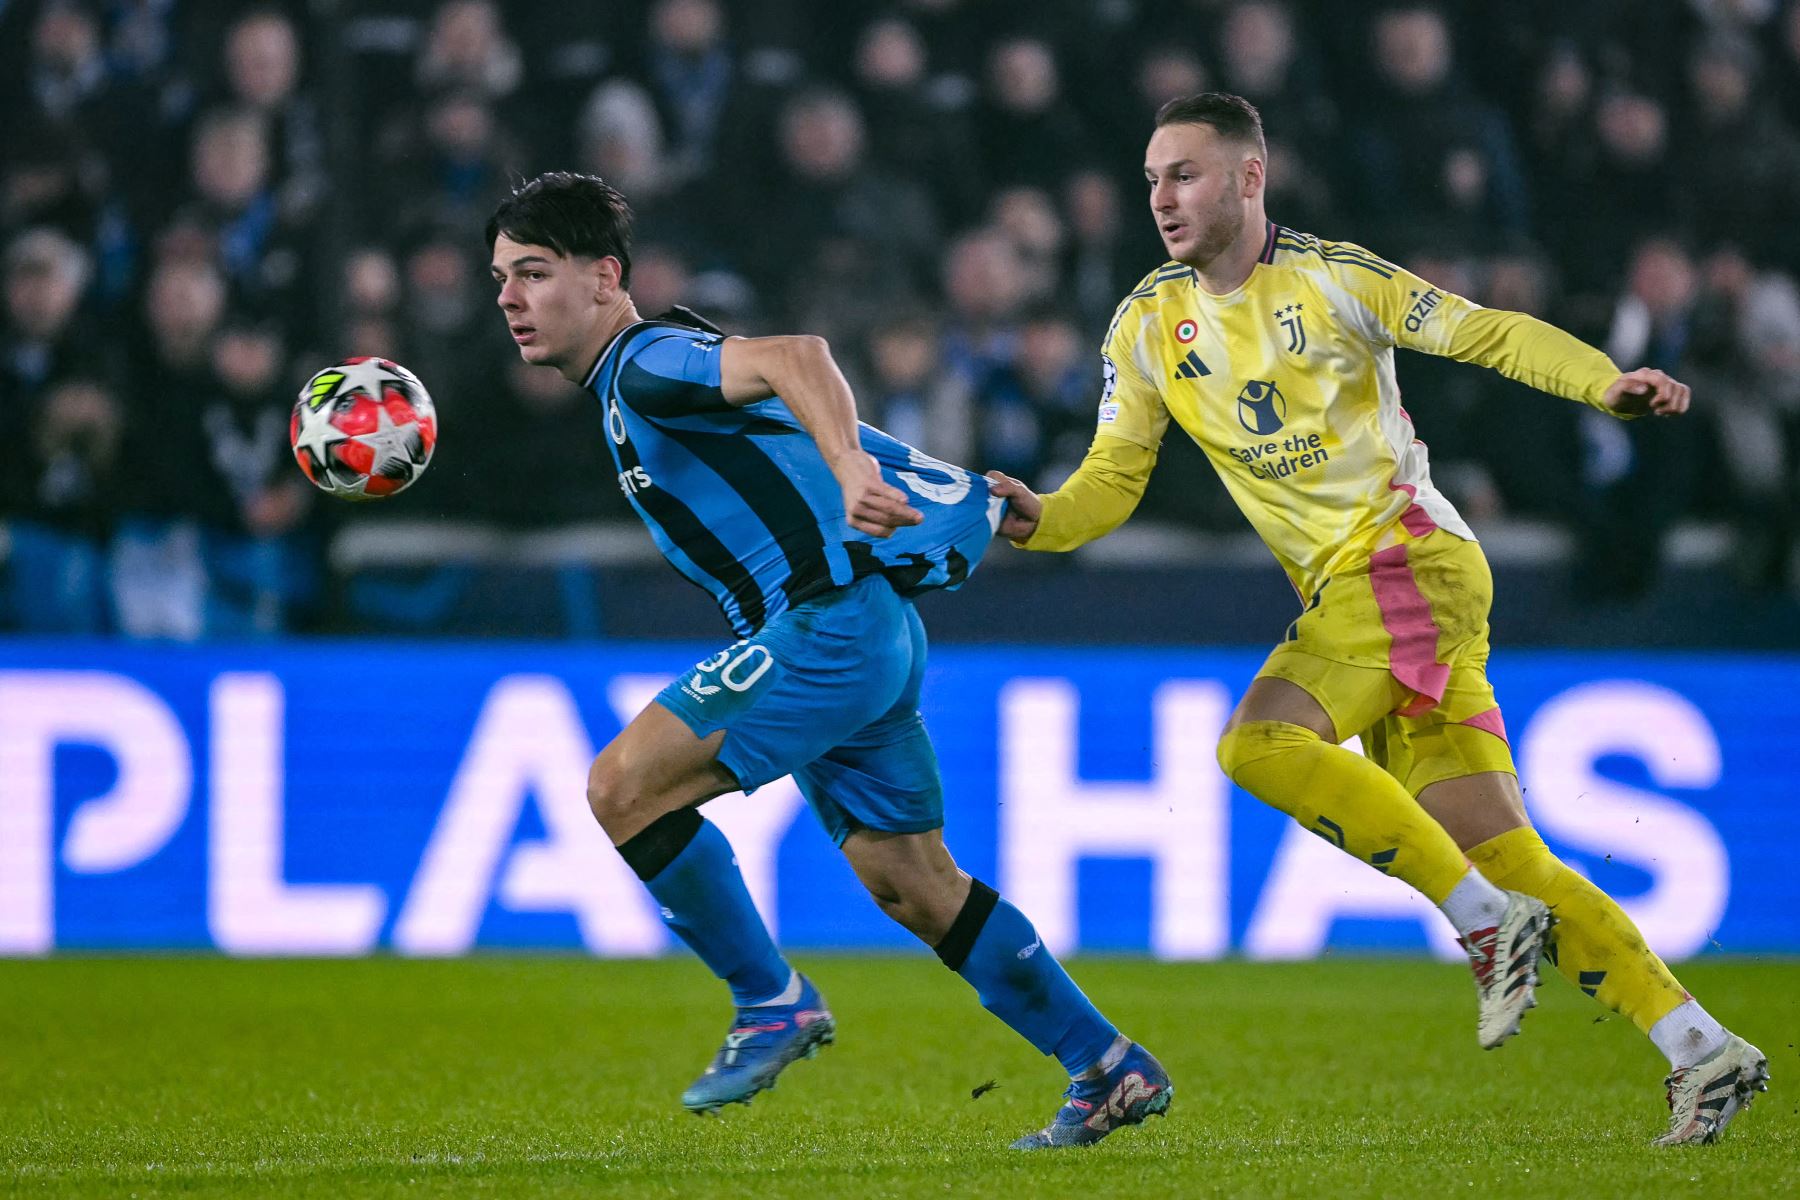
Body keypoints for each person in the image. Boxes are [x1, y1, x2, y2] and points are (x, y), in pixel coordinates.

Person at [985, 93, 1768, 1147]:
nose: (1163, 197)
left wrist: (1603, 384)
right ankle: (1699, 1046)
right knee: (1505, 851)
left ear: (1250, 178)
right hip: (1369, 594)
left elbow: (1483, 332)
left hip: (1405, 561)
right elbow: (1112, 481)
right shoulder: (1145, 325)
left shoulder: (1333, 278)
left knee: (1260, 740)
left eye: (1187, 173)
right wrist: (1041, 520)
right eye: (1154, 177)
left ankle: (1484, 927)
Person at [484, 172, 1171, 1150]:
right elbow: (791, 422)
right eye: (502, 278)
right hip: (861, 632)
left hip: (825, 629)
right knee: (913, 884)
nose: (509, 297)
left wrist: (853, 466)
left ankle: (771, 1001)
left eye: (534, 273)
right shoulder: (631, 381)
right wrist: (960, 492)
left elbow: (798, 358)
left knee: (622, 787)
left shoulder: (645, 364)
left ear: (604, 278)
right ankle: (1109, 1066)